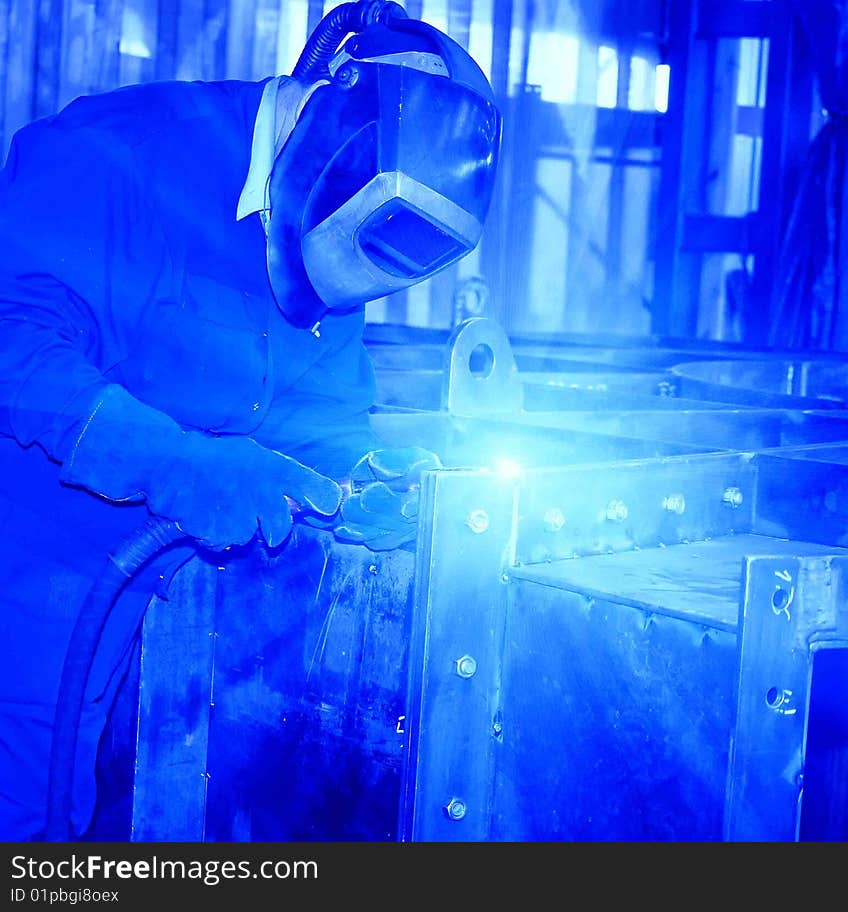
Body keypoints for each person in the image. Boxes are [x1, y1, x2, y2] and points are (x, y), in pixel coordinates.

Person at [0, 0, 500, 840]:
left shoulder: (350, 220)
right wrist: (175, 463)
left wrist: (368, 473)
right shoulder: (112, 154)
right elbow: (14, 343)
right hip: (29, 603)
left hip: (163, 624)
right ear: (319, 116)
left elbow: (320, 414)